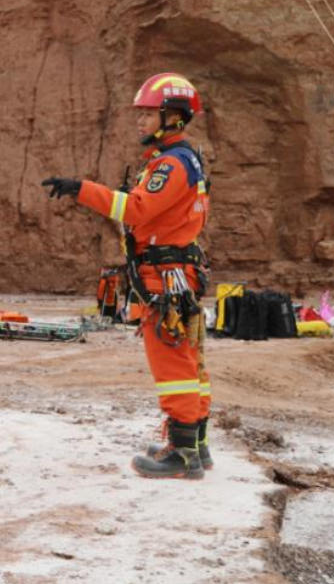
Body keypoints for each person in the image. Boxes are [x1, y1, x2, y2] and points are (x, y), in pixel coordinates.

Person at [43, 73, 212, 480]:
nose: (140, 120)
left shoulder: (171, 163)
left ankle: (183, 454)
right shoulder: (180, 158)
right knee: (188, 359)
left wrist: (81, 189)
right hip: (176, 272)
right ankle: (196, 444)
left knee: (172, 362)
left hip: (164, 276)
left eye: (149, 113)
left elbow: (136, 209)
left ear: (173, 117)